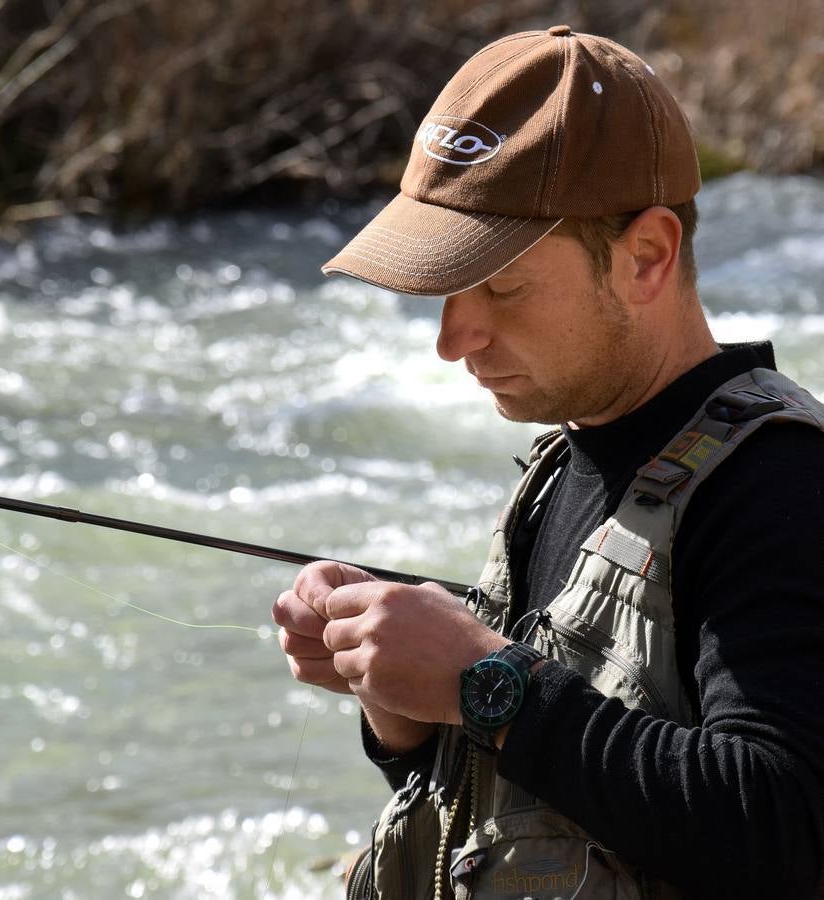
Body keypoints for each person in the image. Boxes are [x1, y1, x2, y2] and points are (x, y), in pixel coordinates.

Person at [272, 26, 824, 899]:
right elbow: (543, 809)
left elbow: (782, 830)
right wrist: (406, 705)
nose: (454, 340)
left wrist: (484, 683)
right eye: (447, 287)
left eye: (501, 286)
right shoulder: (563, 466)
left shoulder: (779, 486)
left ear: (646, 255)